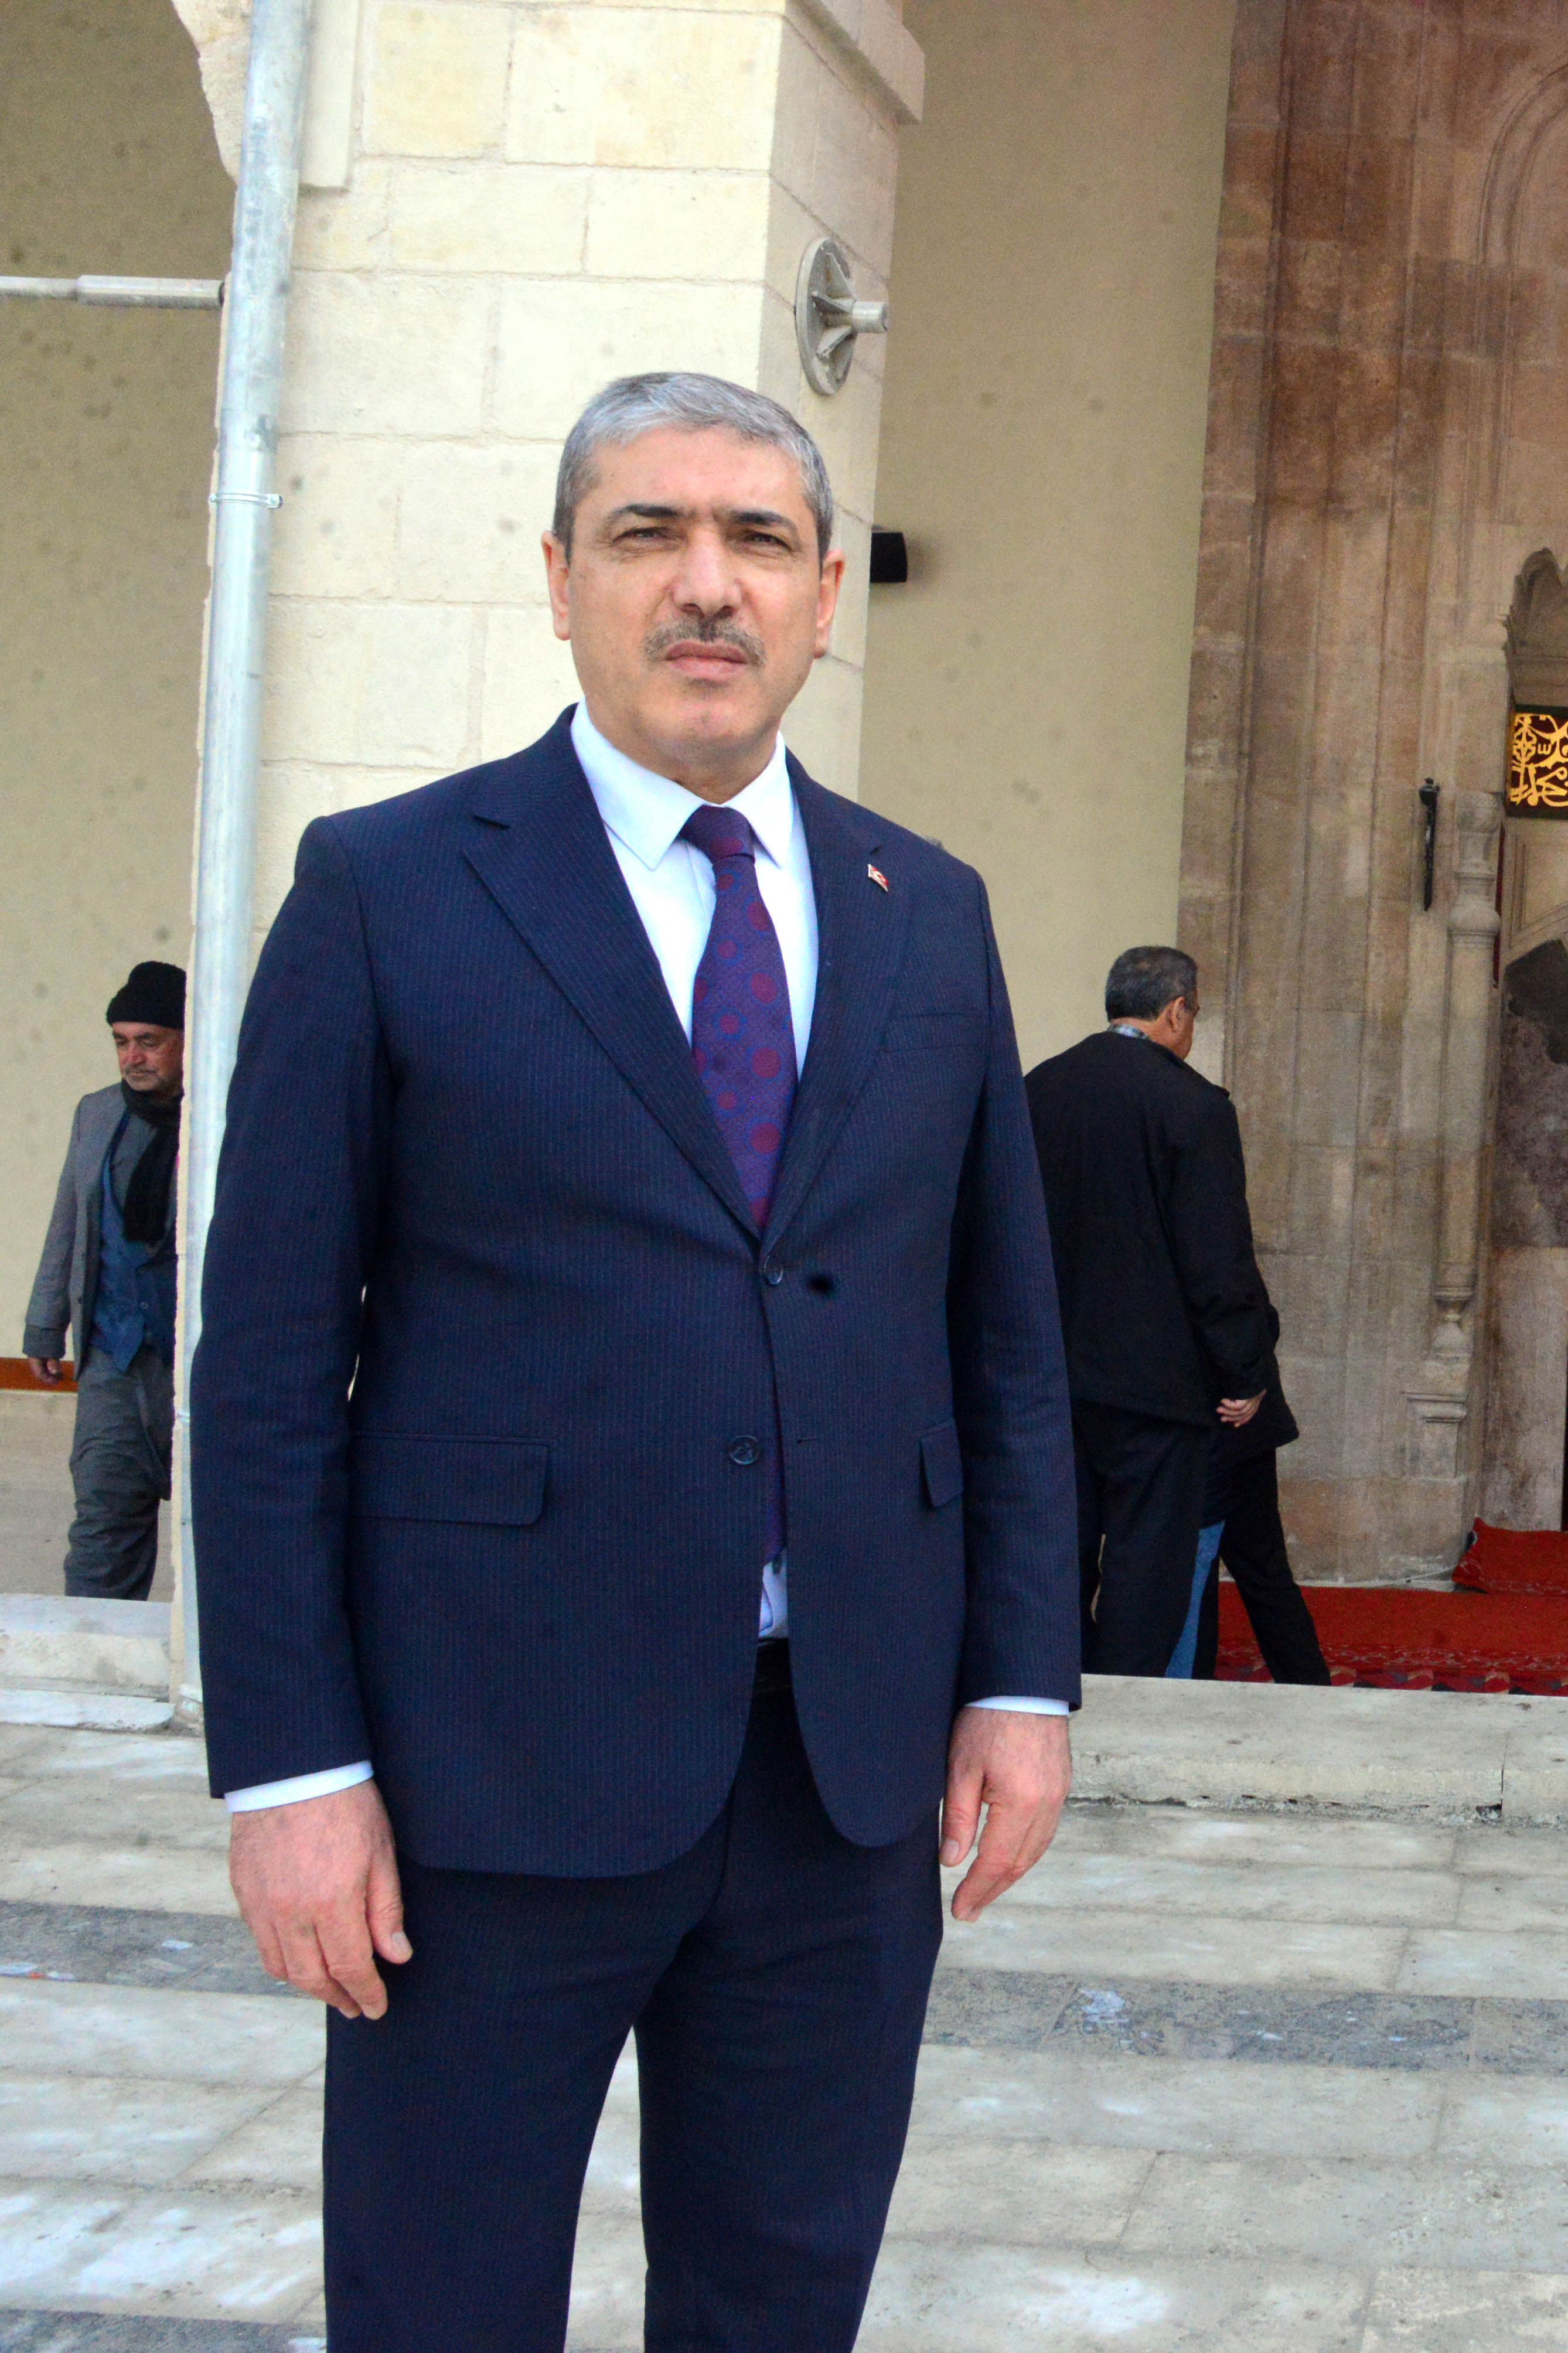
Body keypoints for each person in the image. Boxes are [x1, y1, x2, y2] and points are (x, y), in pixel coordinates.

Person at [193, 371, 1078, 2350]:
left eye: (757, 541)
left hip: (840, 1777)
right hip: (482, 1775)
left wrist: (1019, 1677)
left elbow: (999, 1345)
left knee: (780, 2304)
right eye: (647, 537)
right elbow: (260, 1372)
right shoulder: (393, 887)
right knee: (438, 2305)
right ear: (560, 579)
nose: (706, 587)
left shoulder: (924, 914)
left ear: (827, 591)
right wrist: (292, 1767)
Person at [1025, 945, 1276, 1677]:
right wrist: (1244, 1368)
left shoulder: (1035, 1089)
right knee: (1147, 1567)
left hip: (1049, 1380)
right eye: (1193, 1013)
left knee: (1054, 1552)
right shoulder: (1193, 1105)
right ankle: (1122, 1710)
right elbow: (1216, 1257)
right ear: (1175, 1011)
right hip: (1156, 1391)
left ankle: (1049, 1696)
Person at [23, 960, 186, 1600]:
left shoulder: (230, 1115)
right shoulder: (96, 1115)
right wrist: (44, 1324)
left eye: (149, 1039)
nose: (132, 1056)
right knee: (102, 1523)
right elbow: (69, 1218)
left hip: (196, 1361)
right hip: (112, 1356)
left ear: (186, 1036)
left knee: (214, 1527)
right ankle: (96, 1662)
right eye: (121, 1040)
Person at [1189, 1355, 1332, 1684]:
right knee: (1205, 1573)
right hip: (1211, 1424)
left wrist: (1250, 1383)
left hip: (1231, 1426)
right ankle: (1310, 1686)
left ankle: (1309, 1686)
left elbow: (1253, 1320)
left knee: (1250, 1568)